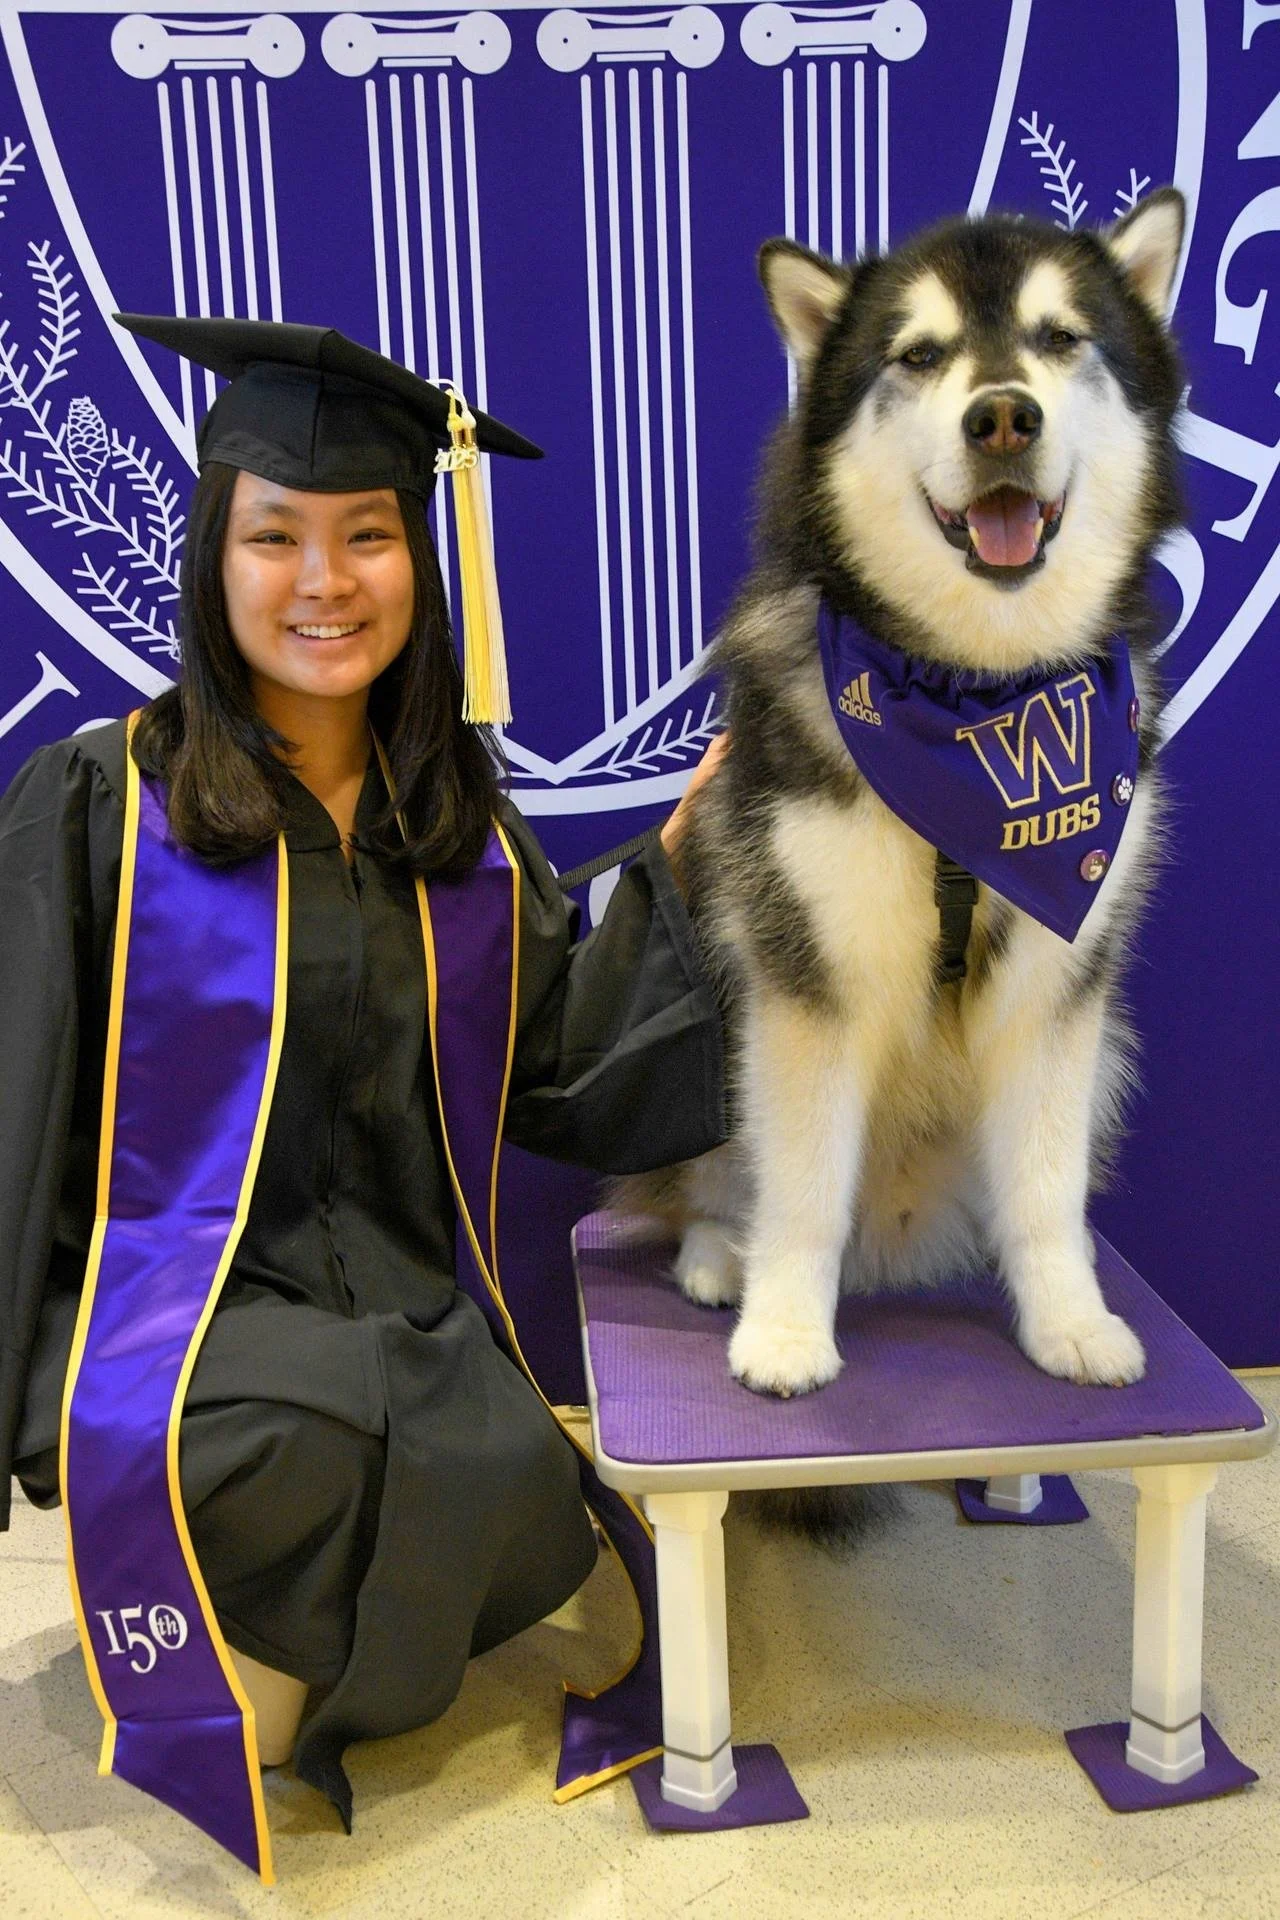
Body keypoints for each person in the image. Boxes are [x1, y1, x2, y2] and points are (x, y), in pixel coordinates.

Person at [0, 315, 726, 1858]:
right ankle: (276, 1660)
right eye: (277, 537)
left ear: (421, 560)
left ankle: (287, 1669)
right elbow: (9, 1106)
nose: (324, 583)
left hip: (397, 1300)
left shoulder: (455, 843)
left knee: (487, 1438)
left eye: (369, 538)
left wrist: (684, 881)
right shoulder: (100, 804)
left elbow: (567, 1075)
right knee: (300, 1437)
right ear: (216, 555)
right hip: (164, 1315)